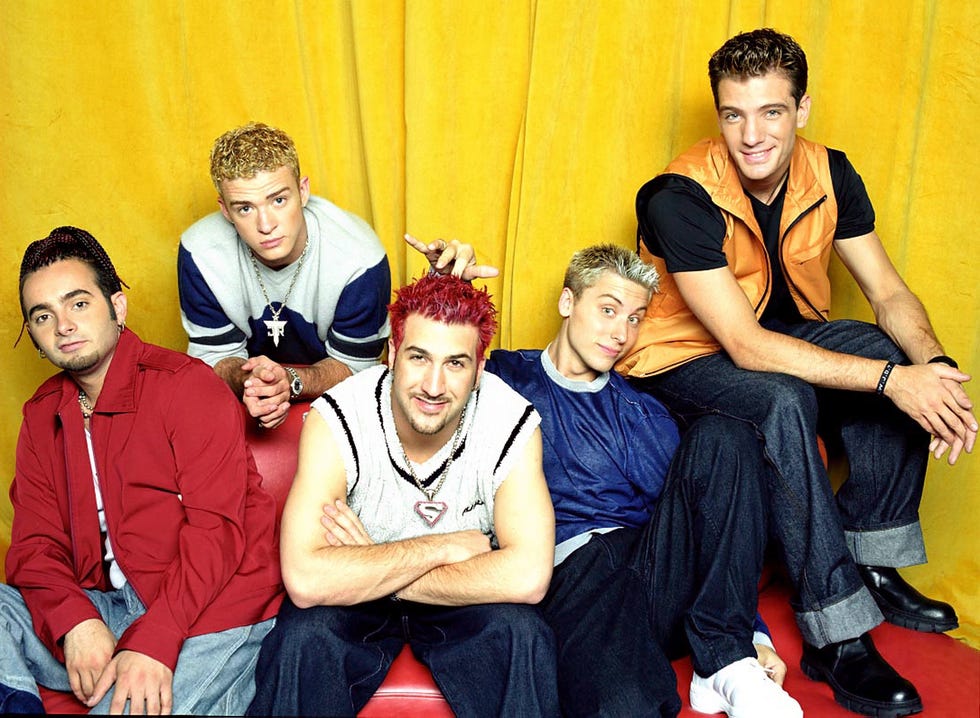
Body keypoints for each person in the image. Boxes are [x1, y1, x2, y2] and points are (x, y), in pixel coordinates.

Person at [624, 28, 977, 717]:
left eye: (770, 112)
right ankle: (835, 631)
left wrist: (928, 365)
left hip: (773, 339)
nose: (751, 135)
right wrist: (888, 383)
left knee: (894, 350)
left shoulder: (829, 171)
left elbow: (889, 293)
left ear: (802, 109)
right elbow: (741, 344)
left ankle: (872, 559)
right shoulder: (676, 194)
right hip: (682, 360)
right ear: (718, 114)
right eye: (733, 114)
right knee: (785, 397)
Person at [476, 242, 802, 718]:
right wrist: (449, 288)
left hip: (646, 575)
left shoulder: (643, 413)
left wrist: (752, 634)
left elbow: (710, 527)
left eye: (634, 318)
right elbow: (432, 368)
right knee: (625, 704)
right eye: (608, 310)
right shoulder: (505, 376)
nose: (620, 333)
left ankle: (725, 662)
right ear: (568, 303)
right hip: (567, 577)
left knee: (725, 435)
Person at [247, 273, 559, 717]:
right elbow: (305, 578)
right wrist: (446, 546)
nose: (433, 385)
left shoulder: (511, 420)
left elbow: (528, 576)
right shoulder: (338, 415)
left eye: (455, 363)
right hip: (361, 603)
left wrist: (373, 562)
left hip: (454, 599)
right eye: (418, 357)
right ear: (393, 353)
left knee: (523, 635)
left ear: (480, 367)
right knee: (303, 637)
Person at [1, 227, 283, 715]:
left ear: (118, 307)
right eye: (43, 316)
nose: (63, 325)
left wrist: (155, 638)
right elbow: (33, 546)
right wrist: (74, 623)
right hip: (108, 608)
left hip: (214, 611)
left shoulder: (186, 388)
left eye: (79, 304)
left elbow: (216, 532)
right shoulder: (41, 414)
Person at [177, 121, 392, 430]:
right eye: (245, 208)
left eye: (278, 200)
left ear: (303, 191)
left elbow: (357, 368)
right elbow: (214, 357)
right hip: (245, 403)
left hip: (339, 404)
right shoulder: (201, 253)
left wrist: (290, 381)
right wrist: (253, 382)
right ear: (225, 211)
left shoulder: (360, 259)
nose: (266, 225)